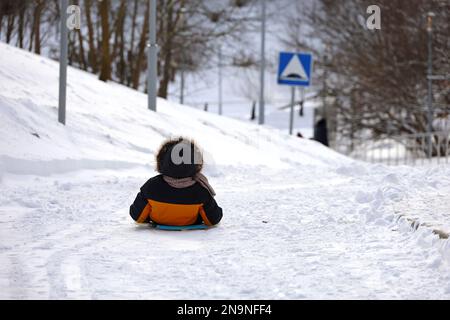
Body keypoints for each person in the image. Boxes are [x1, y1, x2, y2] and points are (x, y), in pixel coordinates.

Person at [129, 137, 223, 226]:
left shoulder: (151, 186)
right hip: (190, 225)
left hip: (158, 226)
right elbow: (213, 220)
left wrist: (148, 218)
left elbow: (137, 216)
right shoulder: (201, 190)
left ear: (162, 161)